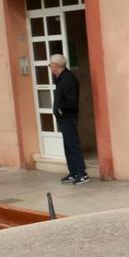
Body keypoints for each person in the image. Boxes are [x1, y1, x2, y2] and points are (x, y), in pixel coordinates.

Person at [50, 54, 88, 185]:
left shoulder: (68, 79)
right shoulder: (60, 78)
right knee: (67, 146)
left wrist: (61, 109)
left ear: (56, 65)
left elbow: (72, 100)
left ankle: (82, 173)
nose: (50, 68)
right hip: (63, 117)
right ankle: (73, 172)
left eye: (51, 65)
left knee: (73, 145)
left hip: (68, 117)